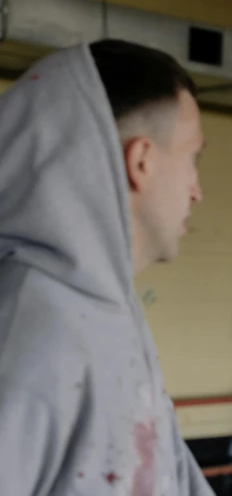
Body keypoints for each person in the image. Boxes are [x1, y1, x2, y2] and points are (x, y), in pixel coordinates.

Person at [0, 39, 214, 495]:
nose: (197, 190)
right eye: (192, 159)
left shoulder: (111, 310)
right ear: (141, 161)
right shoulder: (29, 326)